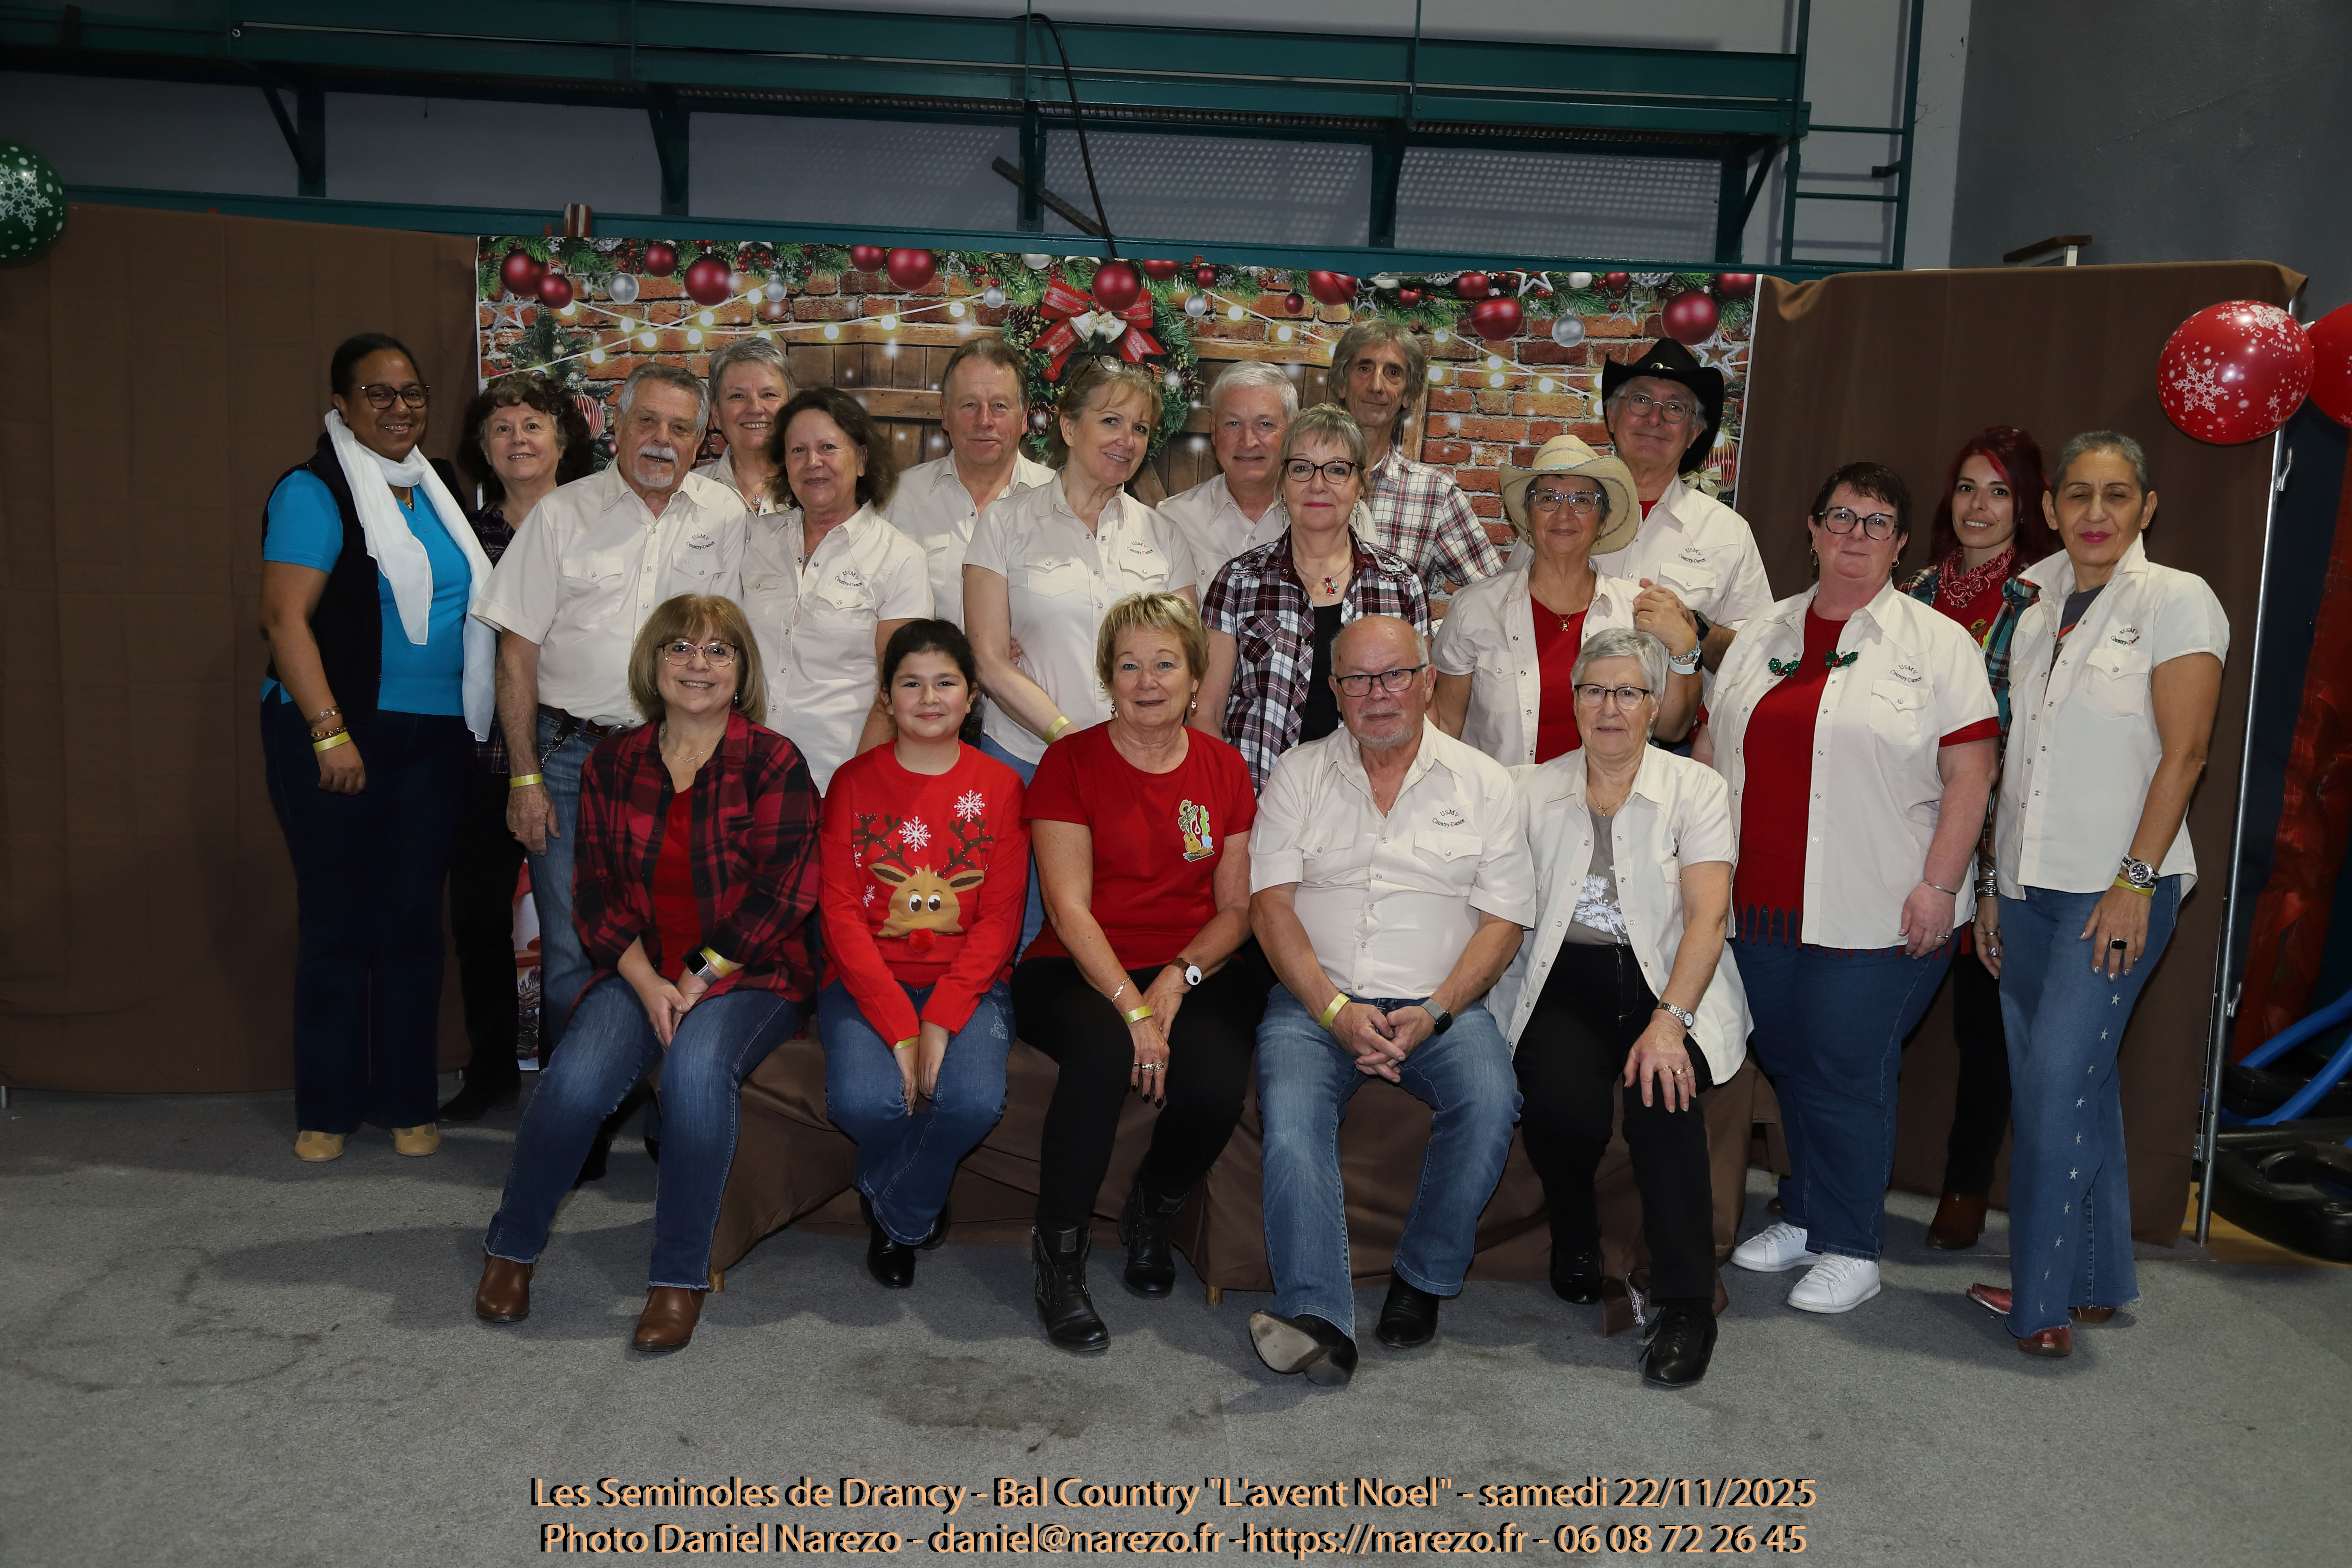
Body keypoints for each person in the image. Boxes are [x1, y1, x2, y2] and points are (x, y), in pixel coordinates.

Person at [475, 596, 818, 1353]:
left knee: (695, 1074)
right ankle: (512, 1247)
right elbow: (594, 894)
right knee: (573, 1082)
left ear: (741, 672)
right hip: (641, 968)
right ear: (653, 664)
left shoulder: (774, 760)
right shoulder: (614, 762)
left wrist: (694, 979)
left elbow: (785, 892)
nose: (699, 664)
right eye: (680, 648)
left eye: (719, 651)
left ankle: (677, 1276)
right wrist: (645, 981)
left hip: (749, 974)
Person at [1698, 462, 1998, 1315]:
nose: (1855, 536)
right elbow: (1712, 756)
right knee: (1789, 1062)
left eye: (1877, 522)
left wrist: (1941, 885)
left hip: (1882, 904)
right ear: (1812, 529)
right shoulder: (1760, 634)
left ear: (1901, 545)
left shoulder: (1938, 644)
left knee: (1846, 1066)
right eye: (1840, 517)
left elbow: (1971, 774)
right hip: (1758, 903)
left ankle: (1851, 1245)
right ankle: (1805, 1213)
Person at [1968, 432, 2226, 1357]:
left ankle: (2038, 1305)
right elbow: (2012, 754)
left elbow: (2185, 756)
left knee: (2050, 1089)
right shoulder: (2029, 598)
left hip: (2116, 886)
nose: (2095, 512)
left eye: (2117, 495)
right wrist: (1990, 885)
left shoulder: (2176, 599)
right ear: (2050, 508)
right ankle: (2095, 1278)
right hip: (2024, 884)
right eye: (2077, 494)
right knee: (2077, 1082)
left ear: (2146, 507)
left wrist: (2134, 882)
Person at [1246, 616, 1536, 1386]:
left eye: (1395, 675)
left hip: (1441, 1004)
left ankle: (1422, 1278)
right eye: (1358, 680)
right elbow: (1270, 908)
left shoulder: (1485, 782)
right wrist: (1334, 1011)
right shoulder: (1298, 773)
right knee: (1290, 1116)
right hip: (1316, 1000)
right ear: (1334, 690)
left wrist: (1437, 1011)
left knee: (1491, 1099)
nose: (1378, 695)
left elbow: (1505, 921)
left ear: (1428, 680)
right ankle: (1317, 1318)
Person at [1489, 627, 1749, 1390]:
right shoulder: (1525, 790)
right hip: (1561, 981)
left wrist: (1670, 1021)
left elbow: (1707, 916)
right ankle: (1575, 1234)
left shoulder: (1696, 789)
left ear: (1656, 704)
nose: (1611, 707)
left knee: (1662, 1095)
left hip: (1669, 980)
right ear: (1573, 701)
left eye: (1629, 692)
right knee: (1560, 1106)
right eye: (1595, 690)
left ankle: (1687, 1304)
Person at [258, 332, 495, 1162]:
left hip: (437, 740)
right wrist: (329, 731)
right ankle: (326, 1107)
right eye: (379, 394)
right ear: (342, 403)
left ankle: (405, 1099)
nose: (400, 408)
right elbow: (284, 618)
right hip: (337, 732)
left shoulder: (439, 487)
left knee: (412, 921)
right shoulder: (314, 488)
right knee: (338, 921)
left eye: (413, 393)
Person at [1013, 594, 1269, 1351]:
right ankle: (1059, 1260)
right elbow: (1067, 910)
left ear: (1194, 678)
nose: (1148, 681)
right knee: (1101, 1054)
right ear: (1108, 678)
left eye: (1165, 664)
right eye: (1129, 666)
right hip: (1077, 963)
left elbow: (1238, 909)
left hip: (1195, 962)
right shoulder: (1070, 762)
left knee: (1215, 1082)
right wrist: (1132, 1007)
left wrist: (1177, 979)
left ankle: (1152, 1208)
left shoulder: (1225, 767)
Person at [475, 362, 748, 1072]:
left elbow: (736, 646)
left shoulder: (725, 518)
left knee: (675, 934)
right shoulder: (560, 516)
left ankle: (666, 1102)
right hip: (572, 757)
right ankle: (579, 1105)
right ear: (616, 427)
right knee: (571, 944)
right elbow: (516, 655)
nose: (662, 439)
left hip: (681, 762)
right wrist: (525, 779)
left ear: (702, 441)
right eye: (647, 421)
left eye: (681, 428)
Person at [818, 620, 1028, 1289]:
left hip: (971, 985)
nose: (929, 698)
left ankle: (898, 1206)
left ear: (972, 698)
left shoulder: (1001, 787)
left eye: (946, 683)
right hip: (865, 981)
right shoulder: (852, 783)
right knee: (864, 1104)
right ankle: (910, 1199)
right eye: (911, 683)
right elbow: (841, 915)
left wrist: (939, 1017)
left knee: (970, 1102)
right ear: (886, 698)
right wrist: (898, 1023)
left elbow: (999, 921)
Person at [964, 357, 1199, 952]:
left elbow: (1182, 661)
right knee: (1017, 935)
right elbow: (988, 659)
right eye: (1112, 421)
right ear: (1069, 427)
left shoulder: (1164, 536)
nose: (1128, 440)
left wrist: (1118, 757)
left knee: (1120, 932)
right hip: (1024, 761)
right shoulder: (1005, 524)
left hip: (1137, 770)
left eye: (1141, 428)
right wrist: (1071, 741)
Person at [1897, 426, 2058, 1249]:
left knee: (1983, 1028)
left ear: (2026, 506)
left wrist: (1989, 864)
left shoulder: (2039, 601)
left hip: (1994, 834)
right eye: (1967, 487)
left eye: (1999, 491)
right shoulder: (1914, 589)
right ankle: (1828, 1170)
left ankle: (1965, 1185)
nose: (1980, 506)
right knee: (1870, 1013)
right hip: (1899, 822)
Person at [439, 372, 596, 1123]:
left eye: (533, 425)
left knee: (583, 929)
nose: (518, 440)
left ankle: (587, 1078)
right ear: (483, 448)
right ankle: (493, 1068)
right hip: (482, 755)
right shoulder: (462, 539)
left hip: (574, 751)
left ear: (563, 441)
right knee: (478, 916)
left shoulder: (597, 528)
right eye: (501, 428)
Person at [1194, 403, 1428, 789]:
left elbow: (1420, 712)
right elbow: (1206, 713)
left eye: (1337, 470)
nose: (1318, 485)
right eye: (1302, 468)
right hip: (1259, 800)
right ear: (1283, 482)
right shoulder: (1237, 582)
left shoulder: (1400, 585)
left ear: (1360, 484)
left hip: (1368, 804)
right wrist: (1232, 801)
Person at [1433, 434, 1699, 764]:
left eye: (1583, 500)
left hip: (1607, 797)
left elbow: (1670, 729)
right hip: (1502, 796)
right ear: (1527, 517)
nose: (1564, 513)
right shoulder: (1474, 609)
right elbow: (1445, 729)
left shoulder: (1635, 613)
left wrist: (1686, 646)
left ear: (1602, 522)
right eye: (1548, 498)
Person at [743, 386, 929, 790]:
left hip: (834, 777)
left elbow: (897, 689)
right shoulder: (757, 539)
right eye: (798, 451)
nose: (813, 463)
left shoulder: (899, 558)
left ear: (861, 460)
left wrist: (853, 789)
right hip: (744, 772)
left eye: (828, 447)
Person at [1579, 340, 1774, 674]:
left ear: (1695, 433)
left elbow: (1758, 661)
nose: (1655, 419)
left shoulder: (1729, 534)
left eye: (1675, 408)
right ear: (1612, 416)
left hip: (1678, 710)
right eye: (1641, 400)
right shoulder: (1560, 514)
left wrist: (1696, 629)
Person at [1329, 318, 1501, 603]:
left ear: (1408, 395)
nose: (1376, 385)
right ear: (1342, 384)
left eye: (1393, 373)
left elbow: (1498, 597)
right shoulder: (1300, 479)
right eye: (1364, 368)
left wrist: (1429, 630)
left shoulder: (1434, 493)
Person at [887, 339, 1054, 626]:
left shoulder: (1059, 500)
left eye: (999, 406)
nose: (984, 421)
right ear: (945, 413)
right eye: (969, 405)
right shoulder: (897, 500)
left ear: (1024, 417)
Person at [1159, 362, 1311, 576]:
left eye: (1265, 425)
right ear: (1214, 430)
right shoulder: (1174, 519)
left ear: (1292, 431)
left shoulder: (1329, 515)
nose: (1248, 442)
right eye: (1233, 424)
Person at [695, 338, 794, 518]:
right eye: (738, 396)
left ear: (791, 407)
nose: (755, 408)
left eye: (769, 395)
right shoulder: (688, 494)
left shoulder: (815, 487)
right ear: (716, 415)